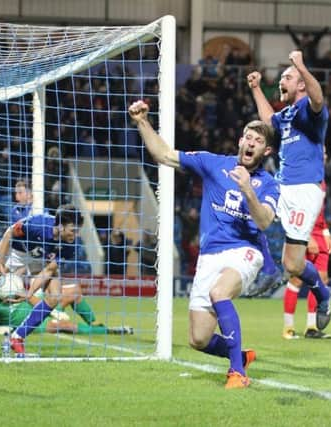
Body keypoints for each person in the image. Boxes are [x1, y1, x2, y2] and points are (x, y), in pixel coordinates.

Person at [129, 100, 279, 389]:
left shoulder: (269, 184)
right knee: (198, 339)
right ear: (240, 141)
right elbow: (163, 155)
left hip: (244, 251)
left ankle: (237, 373)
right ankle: (240, 355)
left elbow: (264, 222)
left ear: (266, 151)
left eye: (258, 141)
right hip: (209, 255)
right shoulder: (214, 163)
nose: (251, 143)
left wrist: (248, 190)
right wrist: (141, 122)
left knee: (219, 292)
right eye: (248, 137)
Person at [247, 50, 331, 331]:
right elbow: (269, 120)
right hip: (282, 185)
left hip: (305, 191)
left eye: (287, 77)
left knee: (294, 266)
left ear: (301, 84)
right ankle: (267, 270)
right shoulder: (285, 116)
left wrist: (300, 65)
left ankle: (322, 293)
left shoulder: (310, 111)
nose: (281, 81)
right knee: (247, 206)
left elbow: (318, 97)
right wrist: (257, 89)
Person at [0, 204, 85, 355]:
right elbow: (9, 232)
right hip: (17, 252)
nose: (76, 234)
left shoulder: (71, 246)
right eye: (73, 230)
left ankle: (17, 337)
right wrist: (0, 261)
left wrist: (30, 292)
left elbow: (48, 271)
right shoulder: (37, 224)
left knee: (54, 296)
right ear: (60, 226)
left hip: (40, 258)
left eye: (78, 230)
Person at [0, 283, 132, 336]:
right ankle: (110, 331)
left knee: (74, 293)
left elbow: (30, 298)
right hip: (31, 323)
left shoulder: (8, 287)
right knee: (63, 326)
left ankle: (96, 325)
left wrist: (52, 311)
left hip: (40, 308)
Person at [282, 182, 331, 340]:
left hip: (320, 232)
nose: (323, 156)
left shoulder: (321, 180)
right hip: (302, 231)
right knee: (297, 279)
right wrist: (308, 236)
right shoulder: (302, 177)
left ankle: (311, 328)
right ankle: (288, 327)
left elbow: (320, 211)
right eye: (322, 154)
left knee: (321, 279)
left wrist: (326, 232)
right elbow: (293, 207)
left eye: (325, 154)